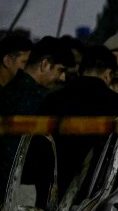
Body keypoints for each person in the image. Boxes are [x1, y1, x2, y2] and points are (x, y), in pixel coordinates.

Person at [39, 45, 118, 188]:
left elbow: (39, 150)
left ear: (80, 70)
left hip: (53, 190)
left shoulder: (51, 101)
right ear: (108, 74)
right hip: (103, 194)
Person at [0, 36, 76, 187]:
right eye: (60, 70)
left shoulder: (8, 91)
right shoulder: (39, 101)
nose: (62, 78)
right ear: (45, 64)